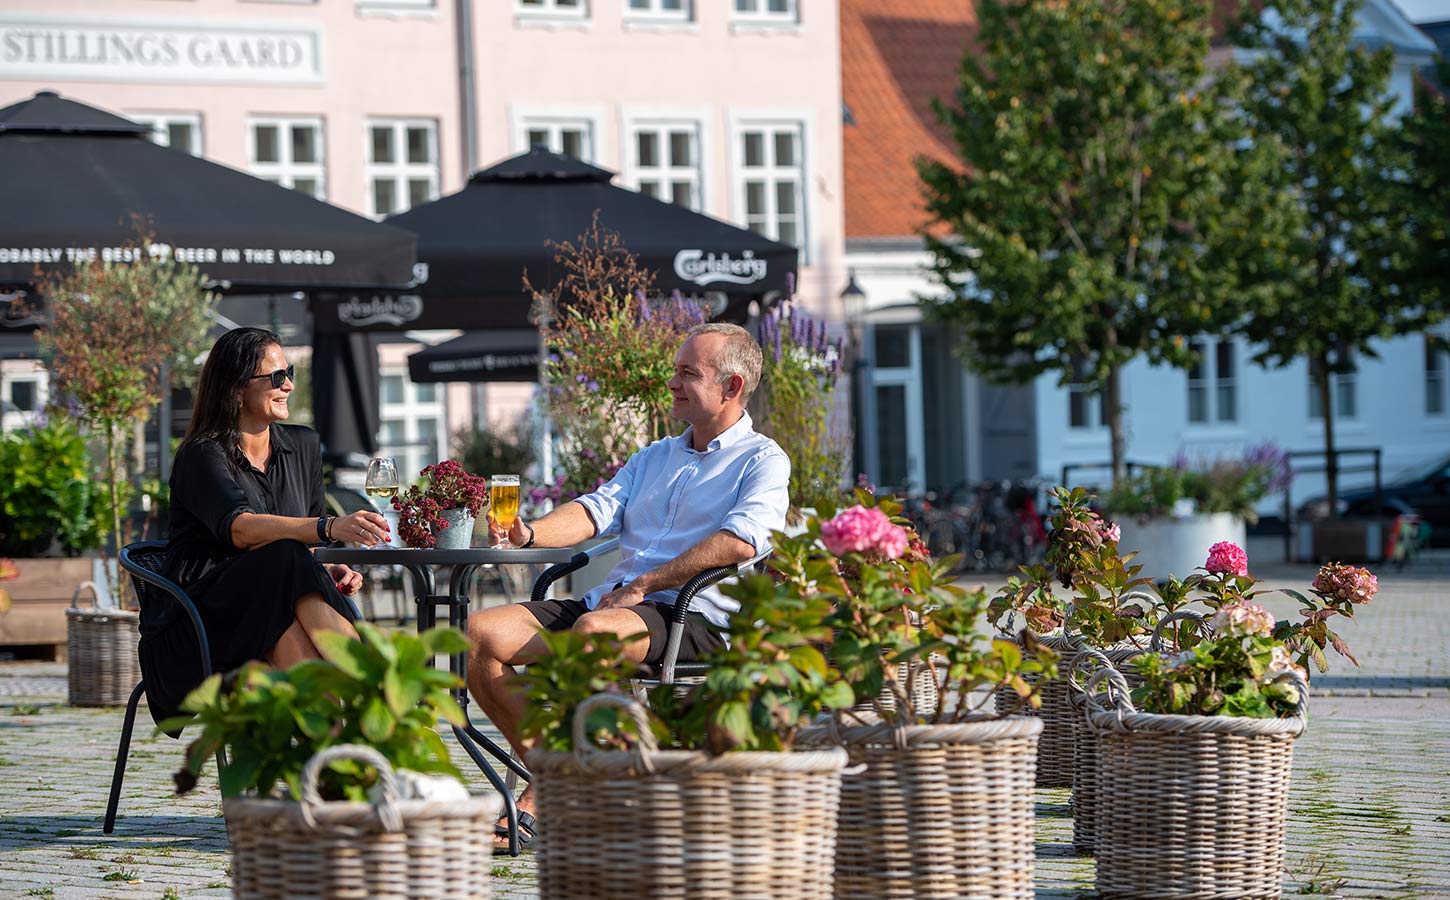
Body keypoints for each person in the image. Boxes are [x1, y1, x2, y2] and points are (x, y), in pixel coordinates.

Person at [466, 322, 790, 849]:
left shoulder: (762, 460)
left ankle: (542, 801)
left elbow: (742, 541)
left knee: (596, 629)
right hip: (617, 605)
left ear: (732, 387)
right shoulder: (654, 456)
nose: (673, 383)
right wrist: (530, 534)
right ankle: (555, 772)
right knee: (479, 633)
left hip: (693, 614)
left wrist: (646, 582)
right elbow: (597, 510)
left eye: (688, 373)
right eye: (675, 371)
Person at [141, 327, 392, 726]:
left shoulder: (303, 446)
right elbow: (241, 530)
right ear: (238, 388)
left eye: (289, 373)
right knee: (286, 558)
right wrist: (328, 527)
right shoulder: (201, 455)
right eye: (276, 377)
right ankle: (377, 687)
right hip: (201, 630)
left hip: (270, 611)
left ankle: (337, 749)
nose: (289, 385)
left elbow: (300, 549)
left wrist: (324, 570)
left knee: (287, 589)